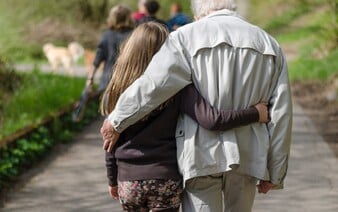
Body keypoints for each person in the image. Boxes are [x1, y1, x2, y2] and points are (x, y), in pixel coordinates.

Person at [101, 0, 293, 211]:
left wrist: (117, 119)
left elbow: (153, 85)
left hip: (201, 154)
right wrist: (276, 171)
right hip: (248, 153)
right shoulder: (269, 44)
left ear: (199, 13)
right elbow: (281, 113)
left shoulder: (184, 38)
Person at [72, 5, 134, 122]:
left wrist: (90, 79)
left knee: (110, 119)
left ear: (112, 18)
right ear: (128, 17)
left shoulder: (107, 35)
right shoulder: (135, 34)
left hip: (108, 82)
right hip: (130, 82)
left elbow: (97, 59)